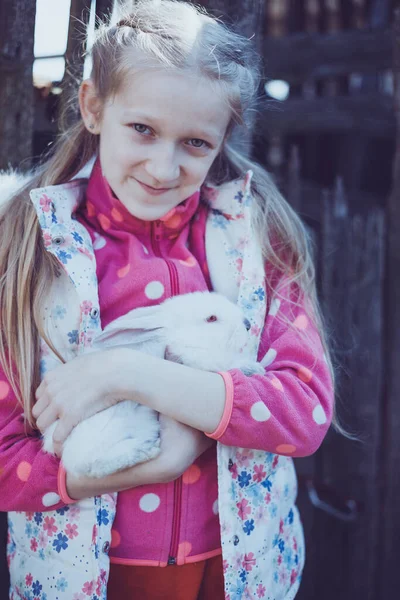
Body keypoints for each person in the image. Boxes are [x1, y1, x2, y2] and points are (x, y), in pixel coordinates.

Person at [0, 1, 335, 598]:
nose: (163, 166)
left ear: (222, 140)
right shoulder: (30, 246)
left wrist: (125, 372)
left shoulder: (255, 239)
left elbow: (304, 412)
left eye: (196, 144)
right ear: (94, 106)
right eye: (143, 129)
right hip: (85, 579)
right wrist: (148, 468)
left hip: (234, 576)